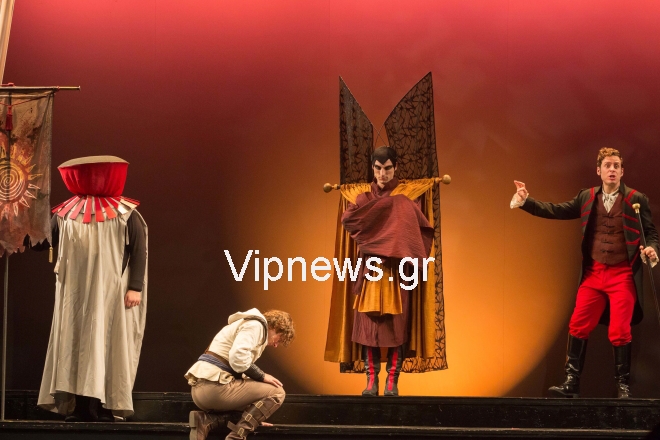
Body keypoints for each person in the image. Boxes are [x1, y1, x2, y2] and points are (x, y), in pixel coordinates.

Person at [511, 147, 658, 398]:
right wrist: (527, 201)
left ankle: (623, 386)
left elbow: (650, 232)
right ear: (599, 170)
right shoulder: (586, 197)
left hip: (622, 274)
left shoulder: (636, 199)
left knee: (620, 329)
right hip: (594, 274)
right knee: (578, 324)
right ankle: (571, 383)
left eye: (616, 166)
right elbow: (557, 210)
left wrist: (652, 248)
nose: (612, 170)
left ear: (622, 171)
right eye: (607, 165)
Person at [37, 156, 148, 421]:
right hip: (74, 291)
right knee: (76, 343)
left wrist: (135, 287)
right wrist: (24, 226)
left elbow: (138, 250)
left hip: (109, 291)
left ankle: (105, 406)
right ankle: (81, 407)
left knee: (106, 342)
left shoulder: (127, 214)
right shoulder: (65, 214)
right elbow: (43, 242)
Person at [341, 146, 434, 396]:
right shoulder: (363, 198)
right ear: (373, 169)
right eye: (378, 168)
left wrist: (387, 226)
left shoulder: (406, 198)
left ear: (395, 168)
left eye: (388, 168)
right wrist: (383, 227)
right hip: (370, 270)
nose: (383, 174)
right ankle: (371, 381)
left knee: (396, 326)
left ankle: (392, 381)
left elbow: (414, 231)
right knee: (368, 327)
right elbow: (349, 221)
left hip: (395, 270)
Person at [186, 309, 295, 440]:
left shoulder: (247, 324)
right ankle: (236, 437)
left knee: (255, 403)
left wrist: (254, 420)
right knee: (277, 392)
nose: (276, 345)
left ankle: (206, 420)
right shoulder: (256, 326)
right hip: (214, 388)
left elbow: (237, 368)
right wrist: (261, 375)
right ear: (276, 327)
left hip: (202, 391)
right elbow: (238, 357)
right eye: (280, 339)